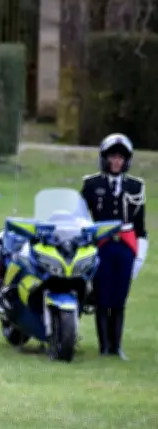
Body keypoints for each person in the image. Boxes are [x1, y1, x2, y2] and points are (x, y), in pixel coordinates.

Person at [80, 133, 147, 360]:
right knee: (102, 297)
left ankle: (117, 346)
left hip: (125, 247)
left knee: (119, 298)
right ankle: (104, 346)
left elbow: (140, 228)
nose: (116, 162)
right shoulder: (92, 184)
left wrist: (139, 257)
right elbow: (81, 216)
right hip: (102, 245)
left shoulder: (136, 187)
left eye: (120, 158)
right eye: (112, 157)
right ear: (105, 159)